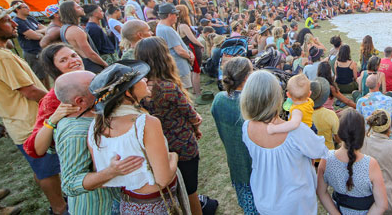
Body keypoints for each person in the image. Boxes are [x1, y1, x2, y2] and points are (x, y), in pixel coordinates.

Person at [0, 4, 66, 214]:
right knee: (47, 170)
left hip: (20, 122)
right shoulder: (1, 57)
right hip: (31, 124)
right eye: (6, 21)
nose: (14, 23)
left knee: (43, 168)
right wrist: (61, 102)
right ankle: (59, 208)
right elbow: (30, 92)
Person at [87, 61, 186, 214]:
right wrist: (174, 156)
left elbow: (103, 179)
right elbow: (163, 179)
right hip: (157, 203)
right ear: (128, 92)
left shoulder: (95, 126)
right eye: (139, 79)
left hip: (129, 204)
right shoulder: (145, 123)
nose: (145, 79)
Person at [136, 37, 212, 214]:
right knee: (190, 191)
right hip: (182, 145)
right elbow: (193, 116)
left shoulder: (137, 89)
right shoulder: (167, 87)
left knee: (172, 192)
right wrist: (195, 127)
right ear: (163, 57)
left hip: (156, 148)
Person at [53, 70, 145, 213]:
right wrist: (110, 172)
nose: (104, 87)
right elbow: (70, 184)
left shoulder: (93, 116)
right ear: (80, 101)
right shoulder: (75, 133)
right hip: (100, 207)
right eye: (96, 86)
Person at [241, 70, 329, 215]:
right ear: (278, 98)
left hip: (265, 198)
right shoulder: (296, 132)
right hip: (296, 204)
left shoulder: (246, 127)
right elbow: (320, 150)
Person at [317, 108, 389, 215]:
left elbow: (321, 192)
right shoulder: (370, 164)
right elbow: (381, 205)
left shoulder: (326, 159)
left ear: (340, 134)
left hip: (338, 210)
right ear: (362, 135)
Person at [211, 57, 257, 214]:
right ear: (246, 77)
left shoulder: (218, 100)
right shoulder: (252, 104)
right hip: (256, 165)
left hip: (235, 161)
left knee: (247, 203)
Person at [23, 43, 84, 159]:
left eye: (74, 55)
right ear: (54, 68)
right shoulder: (52, 99)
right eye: (63, 60)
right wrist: (53, 120)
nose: (73, 61)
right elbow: (35, 149)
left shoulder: (96, 81)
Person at [155, 3, 195, 92]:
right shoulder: (167, 29)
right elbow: (179, 51)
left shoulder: (161, 27)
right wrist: (190, 57)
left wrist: (189, 52)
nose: (177, 17)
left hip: (175, 64)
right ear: (170, 15)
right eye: (176, 14)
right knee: (184, 91)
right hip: (179, 65)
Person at [59, 0, 107, 73]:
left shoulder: (65, 28)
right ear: (71, 11)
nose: (82, 8)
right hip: (90, 66)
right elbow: (90, 54)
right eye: (78, 7)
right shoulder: (75, 30)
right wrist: (105, 64)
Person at [356, 74, 392, 140]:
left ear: (366, 85)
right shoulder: (389, 100)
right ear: (379, 84)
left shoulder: (360, 101)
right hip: (387, 136)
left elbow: (359, 123)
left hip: (369, 136)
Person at [11, 0, 47, 85]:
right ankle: (43, 97)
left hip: (41, 50)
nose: (28, 9)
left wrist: (35, 32)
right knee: (40, 78)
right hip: (32, 53)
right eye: (25, 7)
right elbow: (36, 36)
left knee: (46, 75)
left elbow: (46, 29)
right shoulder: (18, 22)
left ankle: (49, 94)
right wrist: (39, 34)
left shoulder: (30, 18)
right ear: (17, 9)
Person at [176, 5, 203, 96]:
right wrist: (201, 45)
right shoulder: (184, 26)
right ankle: (197, 92)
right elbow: (193, 39)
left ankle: (195, 89)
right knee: (196, 70)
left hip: (188, 47)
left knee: (193, 70)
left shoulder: (177, 25)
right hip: (193, 48)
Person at [312, 77, 340, 150]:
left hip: (309, 156)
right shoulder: (330, 114)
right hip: (327, 154)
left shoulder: (300, 115)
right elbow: (338, 139)